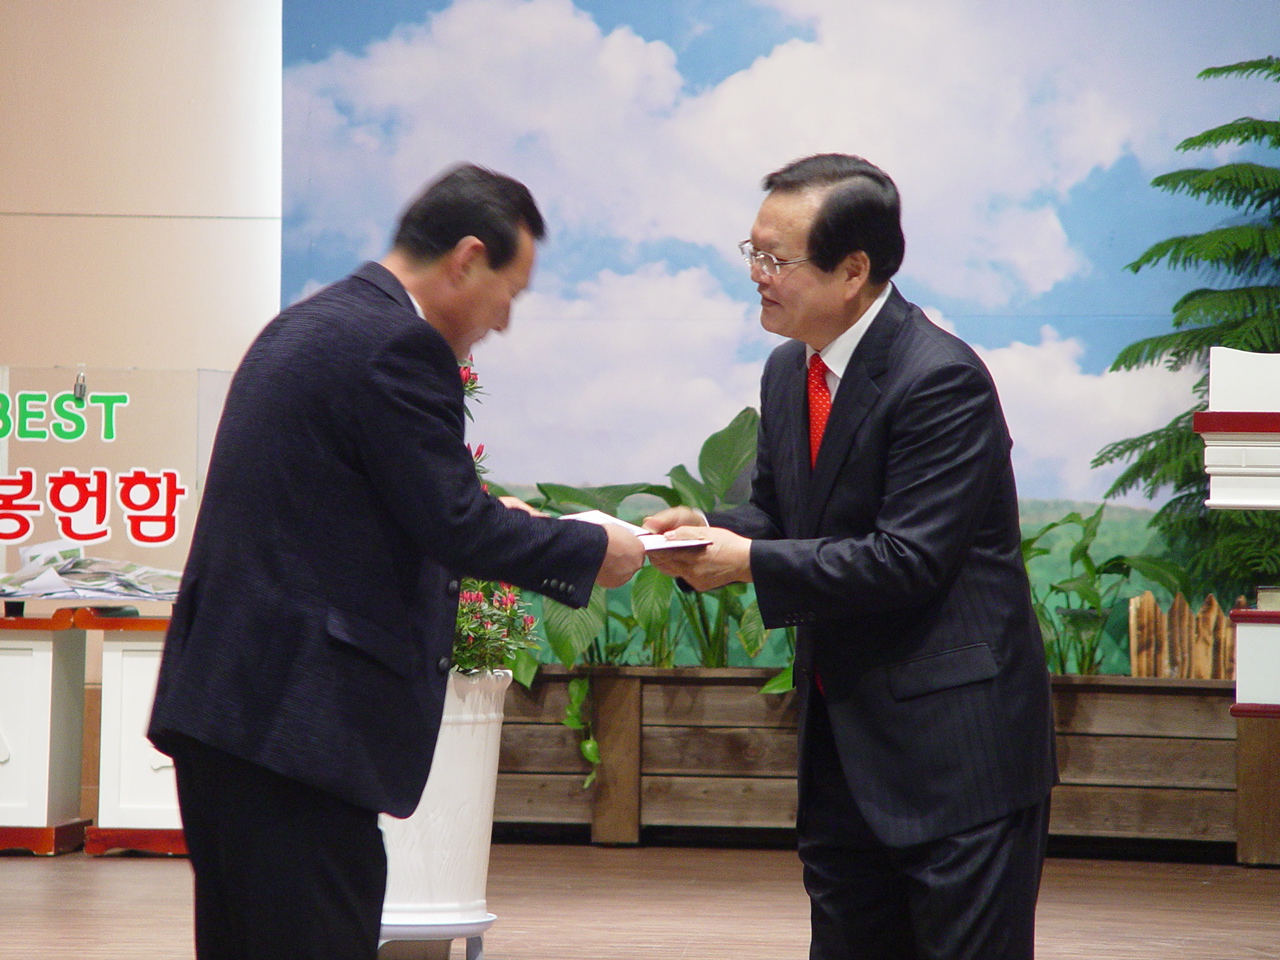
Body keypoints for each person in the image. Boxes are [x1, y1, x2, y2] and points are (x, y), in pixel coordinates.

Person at [148, 163, 646, 960]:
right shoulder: (398, 346)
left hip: (232, 709)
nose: (504, 321)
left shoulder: (311, 324)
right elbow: (456, 525)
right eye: (510, 293)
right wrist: (596, 548)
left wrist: (494, 515)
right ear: (467, 258)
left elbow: (360, 501)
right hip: (295, 727)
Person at [645, 154, 1057, 960]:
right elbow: (779, 516)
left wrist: (748, 561)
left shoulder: (940, 379)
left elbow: (907, 560)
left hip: (956, 756)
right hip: (844, 749)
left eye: (776, 259)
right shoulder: (788, 370)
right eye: (752, 251)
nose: (756, 274)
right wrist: (705, 529)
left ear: (853, 270)